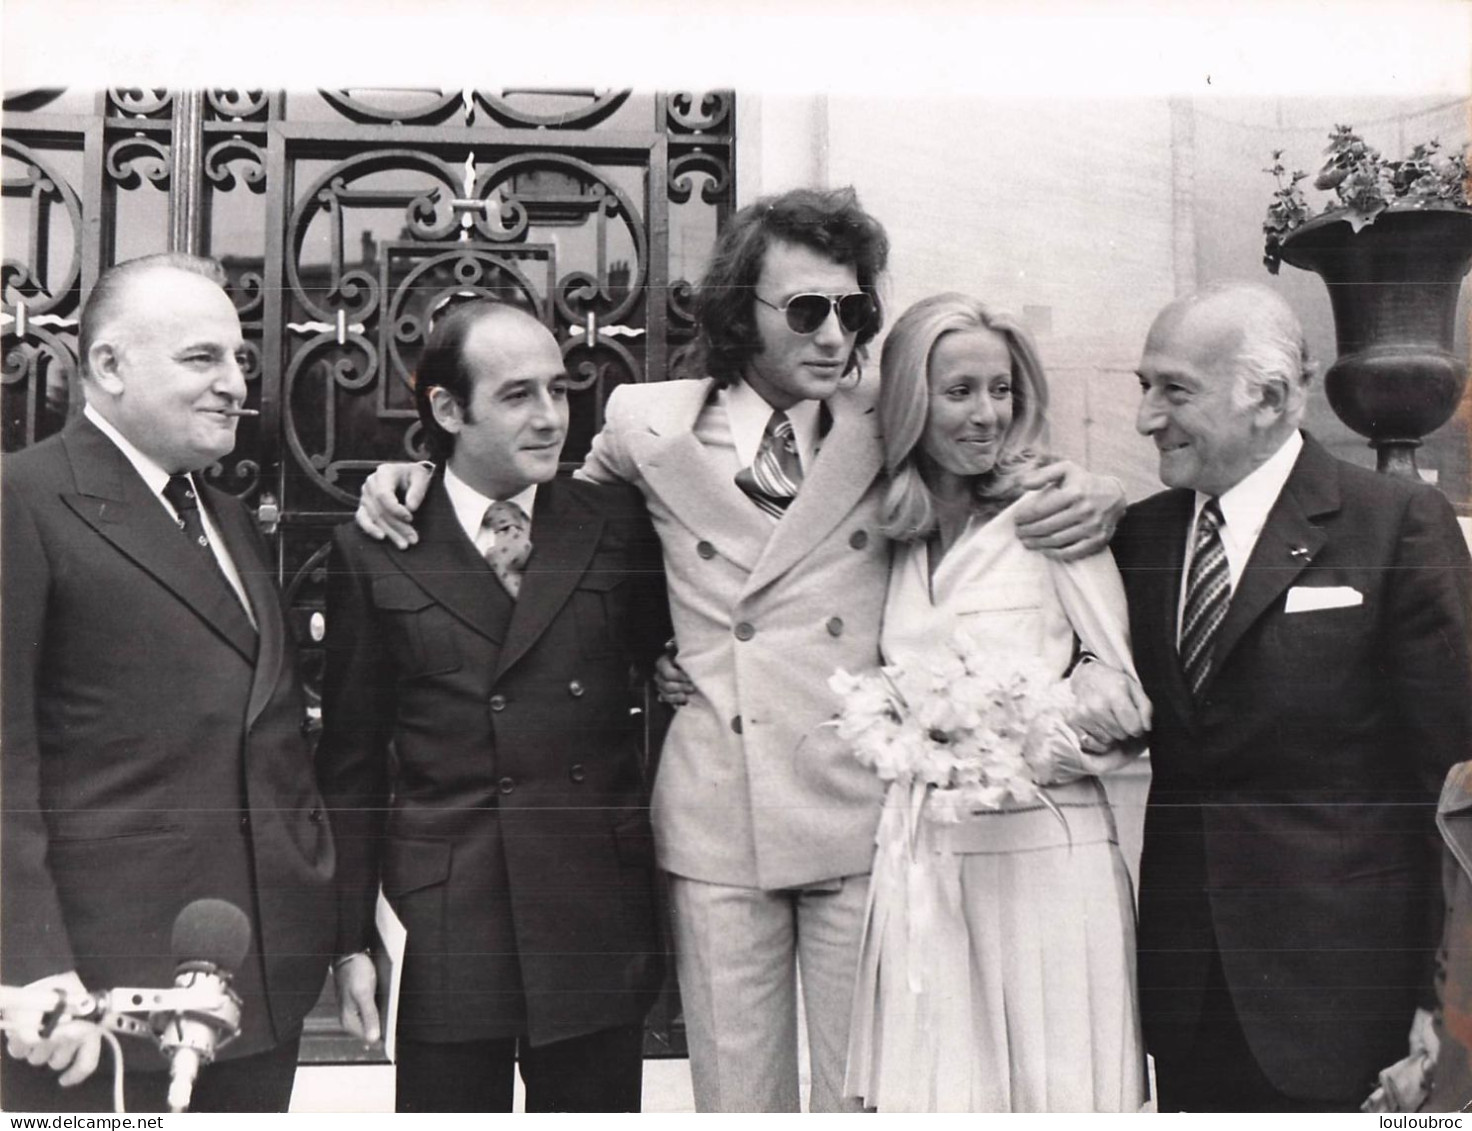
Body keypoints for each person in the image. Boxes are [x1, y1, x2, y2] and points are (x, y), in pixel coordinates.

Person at [354, 187, 1127, 1112]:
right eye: (807, 311)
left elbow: (997, 446)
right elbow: (542, 513)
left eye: (855, 311)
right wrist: (409, 477)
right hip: (719, 814)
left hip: (860, 807)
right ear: (739, 314)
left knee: (865, 1093)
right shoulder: (649, 425)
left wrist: (1098, 485)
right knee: (736, 1097)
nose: (836, 336)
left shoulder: (891, 417)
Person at [1111, 282, 1472, 1112]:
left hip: (1355, 1005)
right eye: (1143, 386)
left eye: (1175, 390)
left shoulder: (1395, 524)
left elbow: (1451, 784)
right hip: (1193, 1000)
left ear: (1269, 397)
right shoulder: (1141, 538)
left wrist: (1445, 1000)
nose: (1146, 417)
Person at [1, 253, 336, 1112]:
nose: (235, 383)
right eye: (202, 359)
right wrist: (31, 970)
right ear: (107, 366)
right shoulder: (23, 502)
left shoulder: (225, 517)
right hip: (101, 1011)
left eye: (239, 360)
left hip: (254, 988)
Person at [318, 302, 670, 1113]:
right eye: (517, 395)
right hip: (449, 918)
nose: (551, 417)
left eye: (559, 388)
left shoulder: (616, 527)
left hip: (591, 911)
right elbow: (352, 759)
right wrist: (348, 943)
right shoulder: (373, 548)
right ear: (447, 409)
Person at [839, 293, 1150, 1112]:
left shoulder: (1049, 518)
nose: (987, 415)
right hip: (924, 868)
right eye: (960, 392)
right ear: (911, 399)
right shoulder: (893, 535)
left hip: (1045, 864)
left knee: (1055, 1091)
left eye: (1001, 389)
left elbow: (1123, 704)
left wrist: (1017, 743)